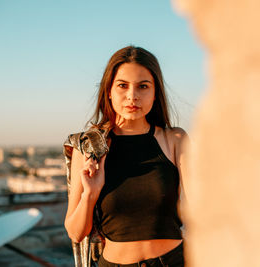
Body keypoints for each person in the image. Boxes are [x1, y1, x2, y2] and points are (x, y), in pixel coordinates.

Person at [64, 46, 188, 267]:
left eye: (143, 86)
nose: (133, 96)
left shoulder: (175, 140)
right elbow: (75, 233)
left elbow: (199, 216)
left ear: (155, 93)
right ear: (109, 90)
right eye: (122, 85)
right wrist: (90, 194)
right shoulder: (87, 147)